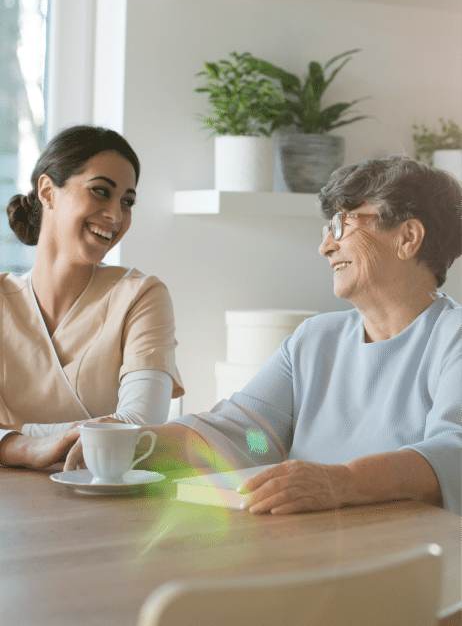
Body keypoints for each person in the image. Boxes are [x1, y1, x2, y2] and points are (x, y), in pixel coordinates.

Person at [1, 157, 460, 518]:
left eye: (342, 226)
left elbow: (452, 453)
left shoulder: (452, 338)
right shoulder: (314, 340)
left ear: (408, 237)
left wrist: (340, 482)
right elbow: (246, 433)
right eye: (327, 229)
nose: (326, 245)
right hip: (312, 548)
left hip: (409, 565)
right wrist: (134, 443)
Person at [0, 125, 183, 451]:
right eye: (101, 191)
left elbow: (140, 428)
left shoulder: (141, 297)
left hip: (104, 499)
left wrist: (11, 438)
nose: (115, 215)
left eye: (127, 201)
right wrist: (31, 449)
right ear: (47, 191)